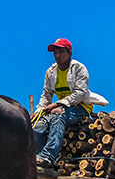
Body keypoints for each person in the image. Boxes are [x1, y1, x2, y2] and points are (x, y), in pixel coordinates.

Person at [34, 38, 92, 166]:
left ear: (69, 53)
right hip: (62, 107)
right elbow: (46, 95)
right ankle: (36, 157)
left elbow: (80, 93)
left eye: (61, 51)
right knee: (39, 124)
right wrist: (39, 111)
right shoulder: (51, 72)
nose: (57, 55)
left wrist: (57, 104)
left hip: (81, 108)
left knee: (57, 115)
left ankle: (48, 157)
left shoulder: (78, 69)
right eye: (55, 52)